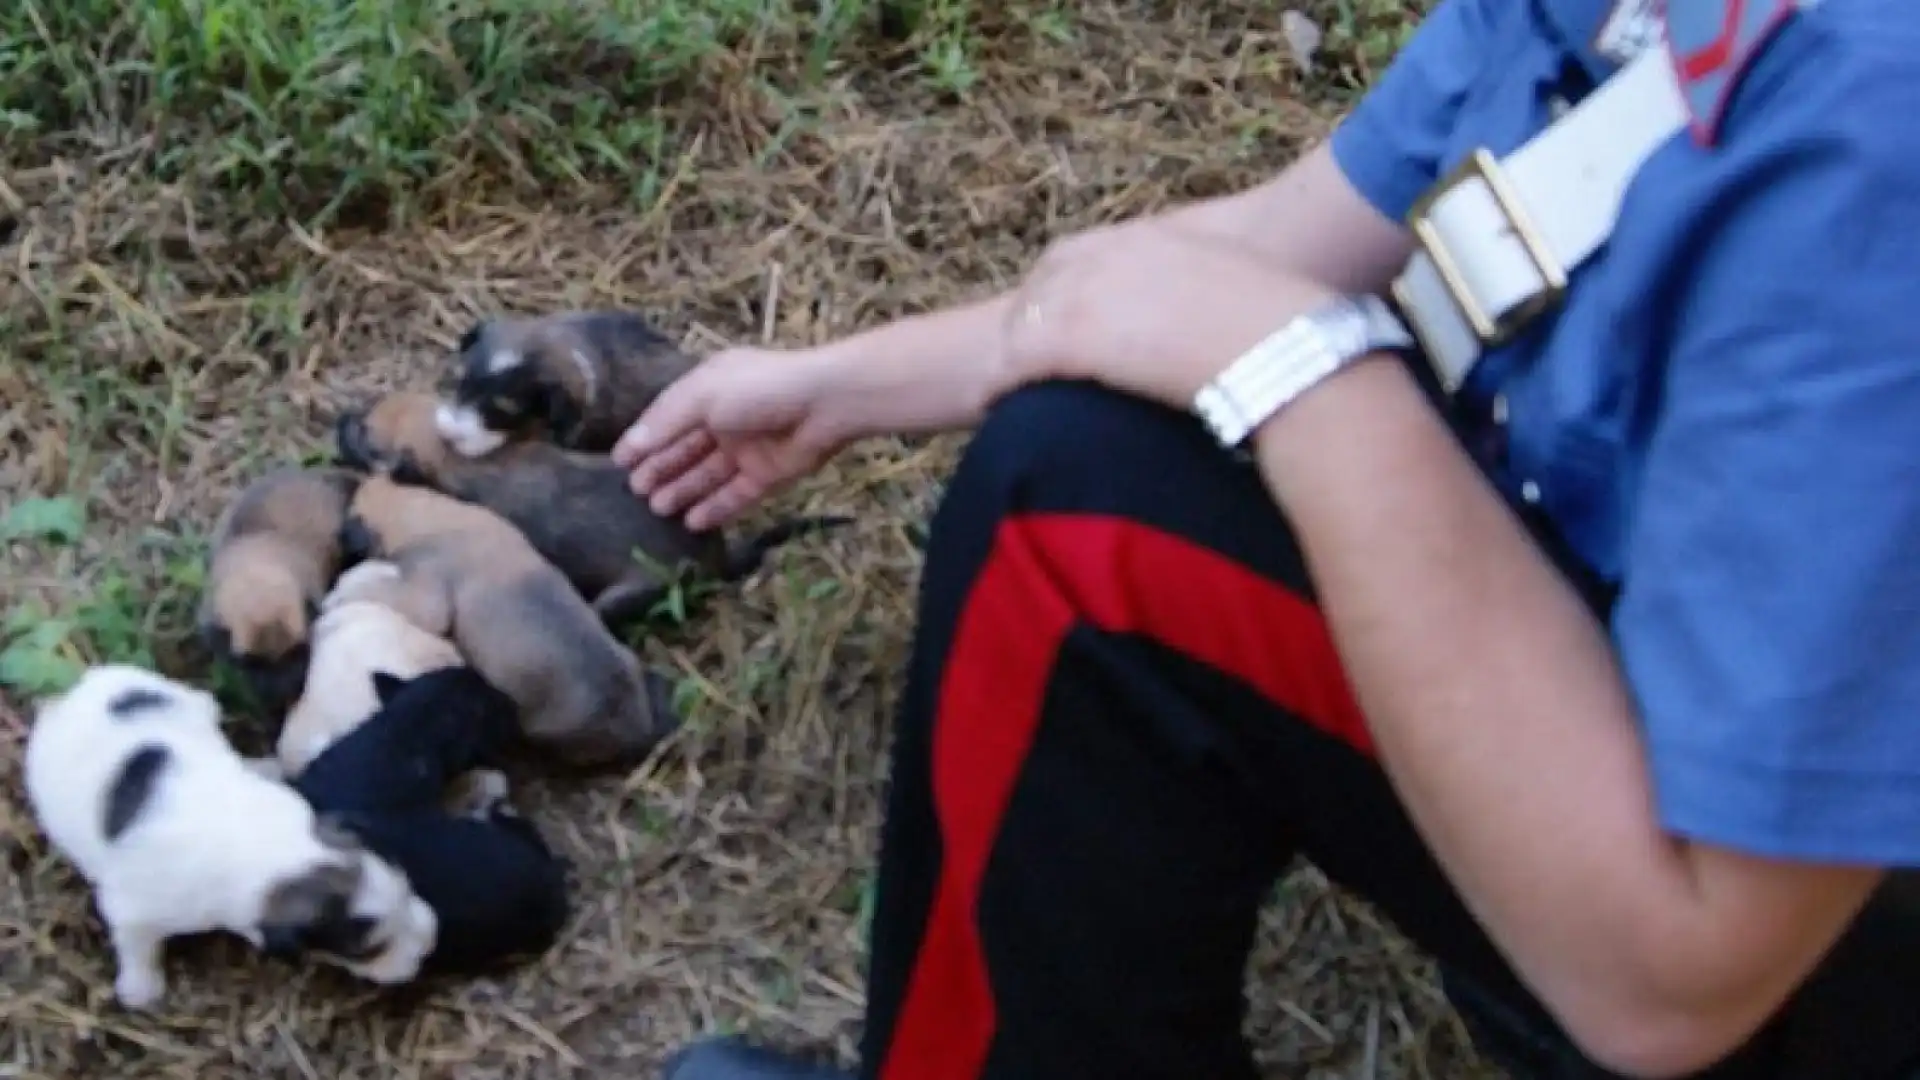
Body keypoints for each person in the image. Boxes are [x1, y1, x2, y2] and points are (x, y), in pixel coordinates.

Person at [615, 0, 1920, 1077]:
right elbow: (1276, 251)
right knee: (1098, 480)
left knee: (1082, 523)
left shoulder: (1874, 140)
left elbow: (1681, 988)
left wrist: (1318, 389)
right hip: (1623, 715)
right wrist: (844, 387)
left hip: (1776, 947)